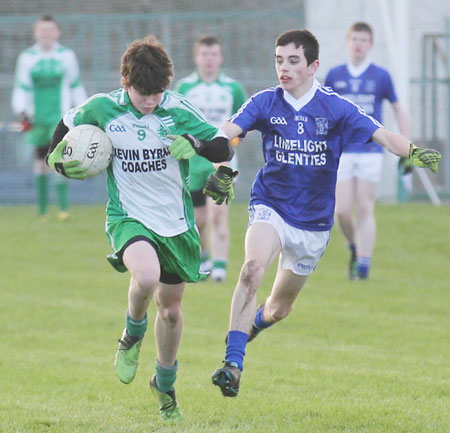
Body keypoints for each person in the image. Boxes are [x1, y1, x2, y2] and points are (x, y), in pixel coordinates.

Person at [208, 29, 441, 398]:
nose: (283, 68)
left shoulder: (335, 107)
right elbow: (226, 132)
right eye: (279, 60)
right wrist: (218, 159)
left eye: (293, 61)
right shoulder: (266, 101)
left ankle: (250, 327)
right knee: (252, 269)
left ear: (313, 66)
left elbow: (383, 135)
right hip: (270, 204)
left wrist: (412, 151)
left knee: (279, 308)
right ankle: (233, 363)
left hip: (314, 224)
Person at [45, 35, 234, 420]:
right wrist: (58, 162)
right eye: (142, 93)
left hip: (175, 223)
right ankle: (132, 331)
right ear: (125, 83)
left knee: (171, 311)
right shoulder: (102, 107)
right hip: (128, 215)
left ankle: (164, 384)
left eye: (157, 94)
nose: (150, 101)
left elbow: (224, 146)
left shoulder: (177, 108)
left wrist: (196, 146)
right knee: (145, 277)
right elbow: (62, 130)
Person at [324, 22, 410, 280]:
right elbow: (324, 111)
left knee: (364, 207)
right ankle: (354, 246)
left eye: (363, 40)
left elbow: (398, 108)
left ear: (370, 45)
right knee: (341, 211)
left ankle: (363, 266)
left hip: (371, 150)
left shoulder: (380, 76)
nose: (358, 44)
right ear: (347, 42)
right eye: (355, 39)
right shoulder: (334, 74)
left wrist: (406, 144)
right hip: (343, 150)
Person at [173, 35, 247, 282]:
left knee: (218, 214)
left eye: (214, 54)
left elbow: (242, 123)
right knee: (199, 220)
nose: (209, 60)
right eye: (204, 55)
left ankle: (220, 269)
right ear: (196, 57)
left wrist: (230, 143)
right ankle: (203, 258)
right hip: (193, 163)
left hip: (222, 163)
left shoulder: (232, 89)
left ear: (221, 57)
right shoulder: (184, 89)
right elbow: (175, 121)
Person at [11, 14, 87, 220]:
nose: (46, 34)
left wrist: (84, 109)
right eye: (42, 30)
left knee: (61, 160)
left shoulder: (66, 56)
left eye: (50, 30)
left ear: (57, 32)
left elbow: (75, 85)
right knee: (40, 164)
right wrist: (21, 111)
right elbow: (22, 87)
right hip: (38, 120)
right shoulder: (27, 58)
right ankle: (42, 211)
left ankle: (63, 209)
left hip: (60, 119)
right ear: (36, 33)